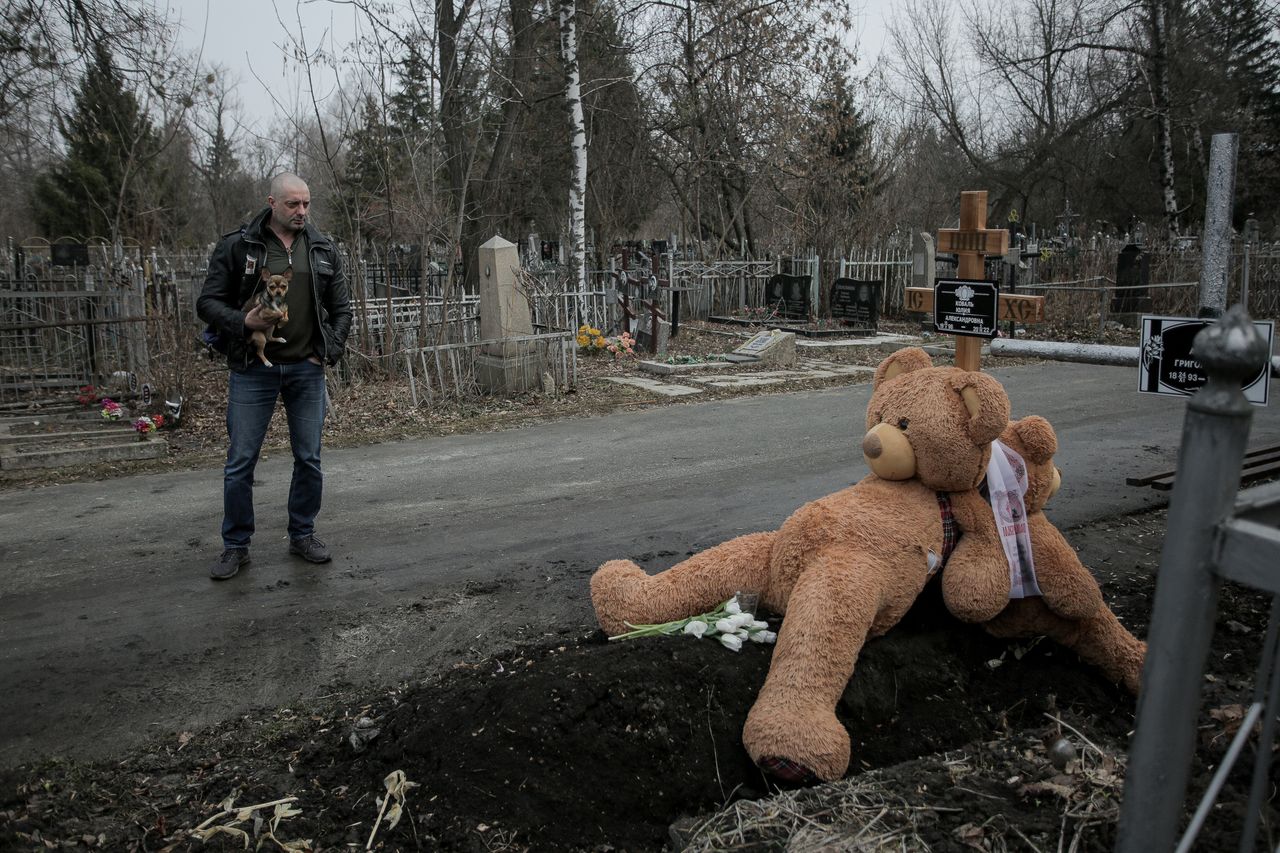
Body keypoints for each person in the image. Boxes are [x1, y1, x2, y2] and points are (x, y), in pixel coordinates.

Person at [197, 173, 352, 580]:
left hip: (306, 369)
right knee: (240, 461)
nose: (301, 211)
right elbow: (208, 303)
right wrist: (242, 321)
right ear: (272, 202)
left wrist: (328, 351)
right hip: (253, 369)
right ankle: (235, 546)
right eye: (292, 204)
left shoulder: (322, 248)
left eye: (306, 204)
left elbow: (342, 308)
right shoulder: (239, 246)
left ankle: (303, 534)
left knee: (310, 459)